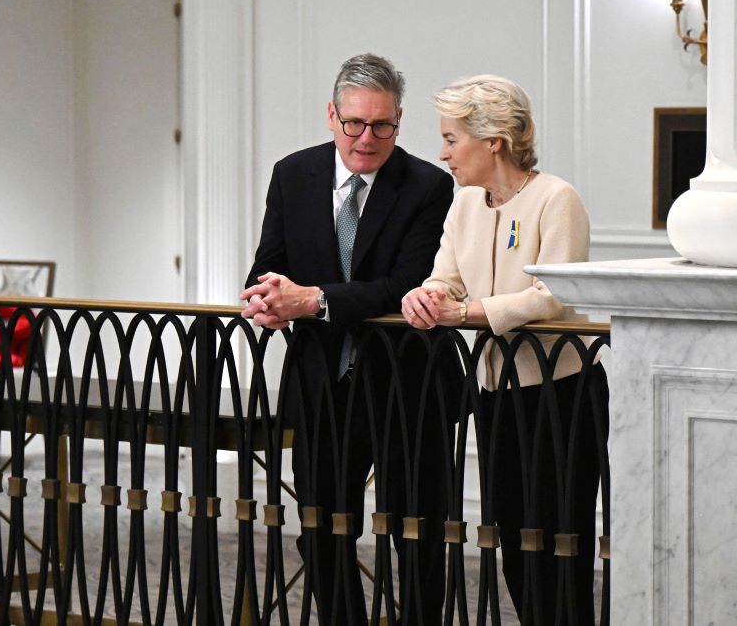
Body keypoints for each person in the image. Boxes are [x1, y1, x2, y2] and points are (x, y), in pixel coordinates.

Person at [241, 53, 455, 624]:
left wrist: (311, 300)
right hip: (321, 382)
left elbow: (405, 284)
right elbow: (267, 265)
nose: (367, 138)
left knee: (416, 534)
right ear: (331, 116)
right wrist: (266, 298)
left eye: (382, 125)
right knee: (321, 529)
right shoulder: (293, 174)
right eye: (355, 123)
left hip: (407, 382)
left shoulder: (429, 185)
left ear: (399, 120)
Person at [400, 75, 609, 624]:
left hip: (562, 393)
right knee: (512, 538)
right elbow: (445, 278)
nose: (442, 152)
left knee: (561, 542)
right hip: (497, 393)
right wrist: (426, 297)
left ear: (493, 140)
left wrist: (467, 313)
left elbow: (557, 293)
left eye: (451, 139)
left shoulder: (556, 198)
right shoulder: (466, 203)